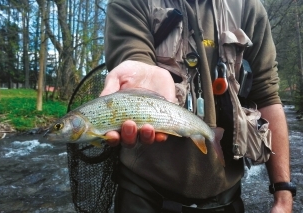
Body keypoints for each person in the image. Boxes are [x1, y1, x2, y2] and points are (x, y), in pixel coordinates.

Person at [100, 0, 294, 212]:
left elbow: (266, 96)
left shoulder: (248, 6)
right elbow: (132, 54)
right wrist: (139, 74)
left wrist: (283, 194)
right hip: (142, 195)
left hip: (226, 198)